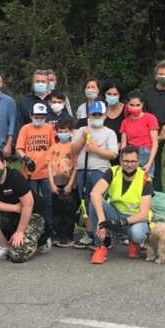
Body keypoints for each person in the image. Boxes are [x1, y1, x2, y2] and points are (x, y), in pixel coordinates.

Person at [87, 145, 154, 265]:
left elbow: (144, 214)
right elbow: (95, 193)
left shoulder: (145, 178)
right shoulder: (113, 171)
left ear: (138, 161)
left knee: (138, 235)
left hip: (136, 219)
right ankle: (100, 247)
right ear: (120, 161)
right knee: (93, 201)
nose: (129, 164)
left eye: (133, 161)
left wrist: (120, 222)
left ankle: (134, 242)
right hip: (115, 214)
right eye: (126, 161)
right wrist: (101, 220)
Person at [0, 148, 43, 262]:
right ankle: (4, 246)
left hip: (32, 215)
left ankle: (42, 240)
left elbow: (28, 204)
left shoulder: (16, 177)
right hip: (12, 213)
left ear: (4, 163)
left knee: (17, 255)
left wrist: (20, 231)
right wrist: (15, 208)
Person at [70, 100, 118, 246]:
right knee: (85, 203)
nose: (96, 117)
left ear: (104, 116)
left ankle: (104, 235)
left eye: (99, 114)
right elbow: (73, 150)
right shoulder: (81, 130)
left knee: (98, 204)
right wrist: (84, 138)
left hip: (100, 172)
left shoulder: (109, 133)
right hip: (82, 171)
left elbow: (113, 154)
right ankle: (90, 234)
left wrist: (96, 150)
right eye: (94, 114)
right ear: (89, 115)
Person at [15, 101, 55, 251]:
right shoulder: (25, 129)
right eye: (36, 116)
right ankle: (32, 229)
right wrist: (25, 158)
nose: (39, 119)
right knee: (32, 202)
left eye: (42, 117)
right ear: (31, 116)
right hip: (30, 172)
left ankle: (49, 230)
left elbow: (52, 147)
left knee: (48, 201)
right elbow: (19, 148)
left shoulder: (49, 128)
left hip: (45, 171)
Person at [48, 115, 79, 246]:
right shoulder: (53, 148)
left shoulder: (74, 148)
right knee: (57, 210)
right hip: (56, 183)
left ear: (71, 132)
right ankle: (59, 234)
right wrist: (51, 184)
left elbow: (77, 167)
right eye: (61, 131)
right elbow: (49, 167)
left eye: (66, 131)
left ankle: (68, 236)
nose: (63, 134)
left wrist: (71, 184)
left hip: (69, 183)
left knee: (69, 211)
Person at [118, 89, 160, 178]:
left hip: (146, 153)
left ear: (142, 104)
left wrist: (149, 163)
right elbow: (123, 145)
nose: (135, 108)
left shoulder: (150, 118)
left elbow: (155, 143)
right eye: (131, 105)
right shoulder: (125, 122)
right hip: (130, 154)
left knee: (145, 185)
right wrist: (122, 160)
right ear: (127, 104)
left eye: (138, 105)